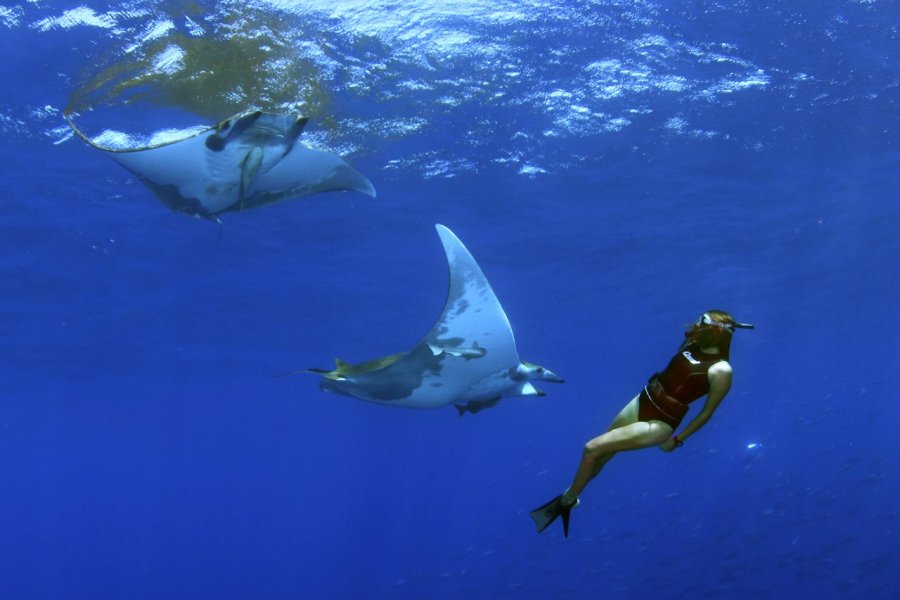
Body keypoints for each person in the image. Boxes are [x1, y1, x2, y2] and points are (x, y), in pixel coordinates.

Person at [530, 310, 754, 537]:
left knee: (591, 448)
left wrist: (677, 440)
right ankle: (570, 499)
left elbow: (707, 413)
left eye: (702, 321)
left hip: (660, 423)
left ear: (714, 329)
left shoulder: (722, 370)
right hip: (643, 399)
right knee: (602, 455)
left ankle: (568, 499)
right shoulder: (691, 344)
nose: (696, 323)